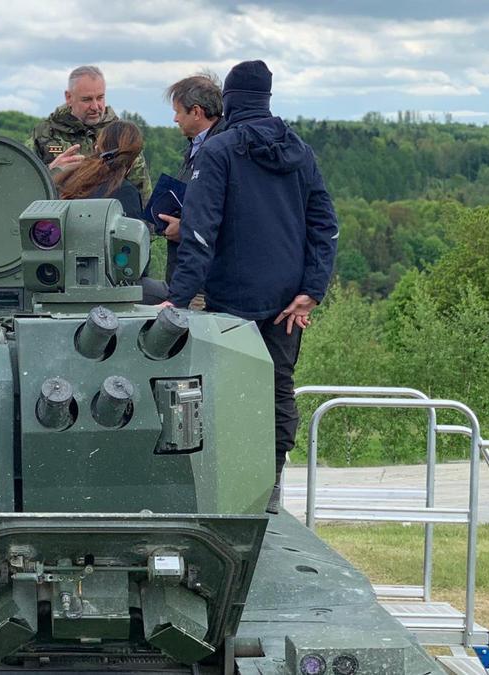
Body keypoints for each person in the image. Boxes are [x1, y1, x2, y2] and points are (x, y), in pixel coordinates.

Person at [164, 60, 339, 513]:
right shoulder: (300, 151)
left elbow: (200, 232)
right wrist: (311, 290)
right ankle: (272, 488)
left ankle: (227, 488)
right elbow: (325, 225)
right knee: (278, 387)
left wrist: (177, 300)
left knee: (219, 390)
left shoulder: (218, 152)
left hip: (230, 300)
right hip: (286, 301)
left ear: (231, 99)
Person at [54, 120, 167, 304]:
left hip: (65, 281)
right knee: (170, 295)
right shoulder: (125, 191)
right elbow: (136, 261)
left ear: (98, 147)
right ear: (133, 160)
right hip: (106, 287)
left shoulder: (72, 182)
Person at [28, 65, 151, 195]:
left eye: (100, 98)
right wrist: (51, 171)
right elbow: (19, 186)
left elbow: (142, 193)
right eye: (87, 99)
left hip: (109, 212)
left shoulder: (119, 135)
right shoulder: (44, 134)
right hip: (57, 212)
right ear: (69, 97)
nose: (95, 106)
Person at [159, 73, 227, 285]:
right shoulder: (198, 146)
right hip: (188, 273)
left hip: (205, 280)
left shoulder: (222, 150)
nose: (175, 119)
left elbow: (229, 212)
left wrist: (185, 229)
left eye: (178, 112)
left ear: (196, 112)